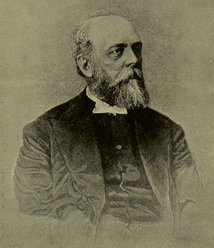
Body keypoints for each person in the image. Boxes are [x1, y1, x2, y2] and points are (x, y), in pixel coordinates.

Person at [14, 15, 201, 236]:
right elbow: (29, 215)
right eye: (117, 51)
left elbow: (197, 208)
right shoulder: (44, 132)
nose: (133, 59)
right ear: (86, 65)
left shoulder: (168, 131)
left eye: (137, 49)